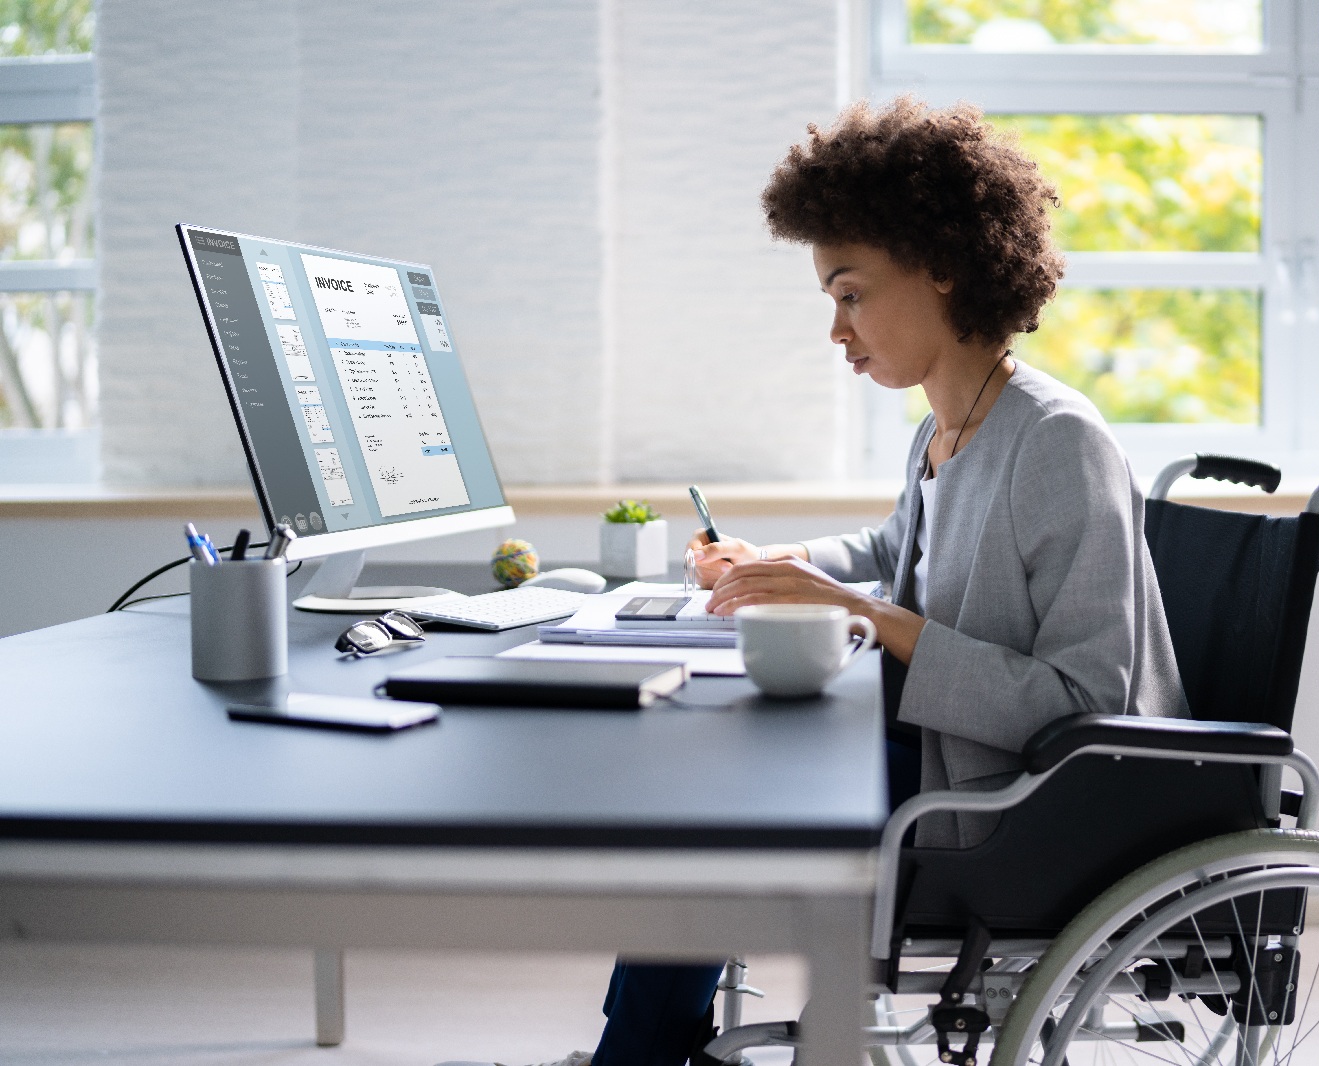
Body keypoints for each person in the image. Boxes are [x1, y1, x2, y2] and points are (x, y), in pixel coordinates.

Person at [442, 95, 1186, 1066]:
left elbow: (1081, 703)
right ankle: (641, 1050)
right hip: (942, 764)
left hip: (1009, 812)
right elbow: (894, 554)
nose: (837, 329)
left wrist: (866, 619)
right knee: (708, 776)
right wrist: (775, 567)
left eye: (850, 292)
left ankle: (638, 1055)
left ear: (944, 267)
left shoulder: (1057, 442)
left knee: (720, 793)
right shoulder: (947, 431)